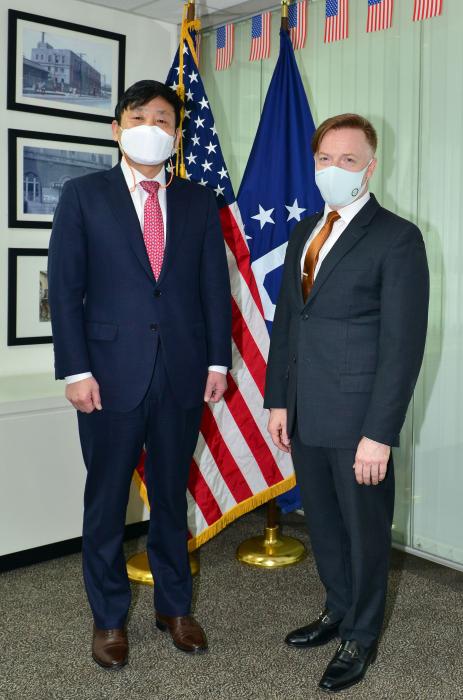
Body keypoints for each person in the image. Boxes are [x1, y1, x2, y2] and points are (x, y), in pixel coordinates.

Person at [48, 80, 232, 669]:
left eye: (162, 119)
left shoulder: (200, 201)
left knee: (171, 499)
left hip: (182, 373)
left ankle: (174, 607)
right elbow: (65, 290)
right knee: (106, 503)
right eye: (138, 117)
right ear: (117, 128)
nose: (151, 127)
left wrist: (217, 361)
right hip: (106, 377)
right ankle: (108, 618)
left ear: (177, 136)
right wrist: (75, 370)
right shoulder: (83, 195)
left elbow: (213, 288)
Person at [264, 114, 429, 693]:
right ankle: (337, 609)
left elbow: (403, 346)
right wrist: (278, 401)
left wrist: (379, 434)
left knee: (364, 532)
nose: (334, 169)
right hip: (306, 411)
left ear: (370, 167)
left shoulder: (397, 238)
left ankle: (361, 635)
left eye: (348, 160)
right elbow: (290, 321)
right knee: (325, 525)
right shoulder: (304, 230)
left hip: (360, 421)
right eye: (325, 159)